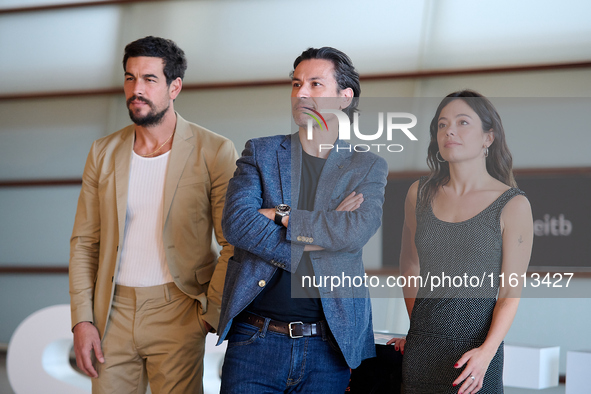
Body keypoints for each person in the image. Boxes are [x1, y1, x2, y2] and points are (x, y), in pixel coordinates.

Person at [69, 36, 238, 394]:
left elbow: (233, 241)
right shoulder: (103, 151)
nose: (136, 89)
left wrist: (209, 315)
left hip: (178, 310)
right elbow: (85, 242)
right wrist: (82, 320)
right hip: (110, 311)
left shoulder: (214, 150)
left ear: (174, 86)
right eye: (130, 78)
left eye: (149, 79)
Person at [217, 47, 388, 393]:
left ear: (344, 97)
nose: (302, 94)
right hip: (255, 340)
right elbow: (236, 223)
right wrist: (321, 233)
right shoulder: (261, 151)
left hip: (328, 347)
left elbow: (354, 233)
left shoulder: (367, 166)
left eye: (315, 84)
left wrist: (280, 215)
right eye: (296, 84)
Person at [388, 90, 533, 393]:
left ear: (488, 137)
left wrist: (487, 353)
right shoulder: (419, 193)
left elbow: (509, 292)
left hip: (476, 358)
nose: (449, 130)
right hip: (420, 354)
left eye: (462, 122)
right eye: (442, 124)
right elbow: (410, 266)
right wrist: (422, 329)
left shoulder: (513, 204)